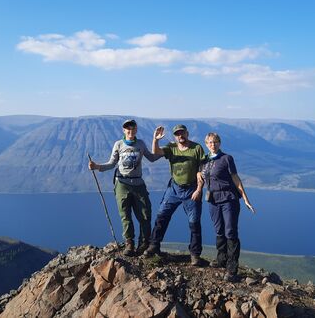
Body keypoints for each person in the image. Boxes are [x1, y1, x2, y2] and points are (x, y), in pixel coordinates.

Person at [88, 119, 161, 256]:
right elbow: (111, 163)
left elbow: (151, 158)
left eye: (132, 128)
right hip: (122, 184)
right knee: (125, 215)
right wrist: (97, 166)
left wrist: (164, 149)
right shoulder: (118, 144)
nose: (130, 130)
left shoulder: (140, 144)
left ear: (136, 129)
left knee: (145, 215)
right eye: (127, 128)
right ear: (124, 130)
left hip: (138, 184)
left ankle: (144, 243)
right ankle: (129, 244)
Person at [144, 124, 206, 266]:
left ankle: (195, 254)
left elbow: (202, 170)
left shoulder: (196, 148)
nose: (180, 136)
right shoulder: (171, 147)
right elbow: (156, 152)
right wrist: (155, 140)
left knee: (194, 223)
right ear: (174, 136)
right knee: (162, 216)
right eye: (177, 134)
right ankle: (154, 245)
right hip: (174, 189)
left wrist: (199, 189)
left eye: (182, 133)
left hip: (192, 190)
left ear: (187, 133)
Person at [200, 132, 255, 281]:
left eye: (216, 142)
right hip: (213, 200)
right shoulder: (203, 160)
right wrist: (198, 186)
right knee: (218, 230)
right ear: (206, 144)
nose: (213, 144)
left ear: (220, 143)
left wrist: (245, 198)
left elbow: (236, 179)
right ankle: (221, 260)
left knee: (230, 231)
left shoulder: (227, 159)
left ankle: (232, 268)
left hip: (228, 198)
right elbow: (201, 176)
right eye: (210, 142)